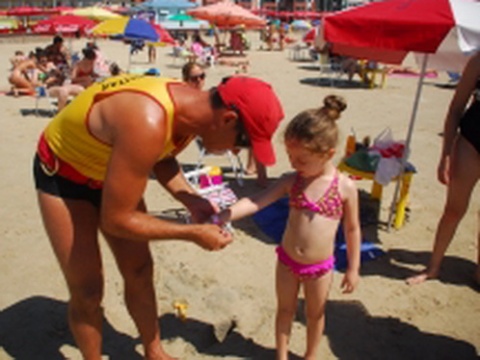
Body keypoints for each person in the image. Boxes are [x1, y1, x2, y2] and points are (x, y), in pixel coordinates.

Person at [33, 74, 284, 359]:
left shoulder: (191, 110)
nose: (237, 151)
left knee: (139, 270)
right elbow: (116, 220)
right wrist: (191, 233)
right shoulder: (147, 119)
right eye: (243, 141)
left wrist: (189, 198)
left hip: (110, 171)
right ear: (227, 119)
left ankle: (154, 351)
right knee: (88, 291)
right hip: (66, 175)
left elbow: (161, 154)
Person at [214, 95, 361, 360]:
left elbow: (352, 230)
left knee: (315, 315)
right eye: (290, 157)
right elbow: (257, 201)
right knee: (284, 311)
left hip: (320, 269)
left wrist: (352, 268)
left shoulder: (345, 187)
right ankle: (281, 356)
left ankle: (310, 356)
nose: (293, 165)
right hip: (287, 261)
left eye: (301, 160)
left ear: (328, 154)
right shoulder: (292, 181)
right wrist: (226, 214)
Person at [407, 51, 480, 286]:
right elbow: (456, 108)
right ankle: (433, 267)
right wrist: (446, 154)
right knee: (453, 210)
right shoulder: (478, 60)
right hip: (472, 139)